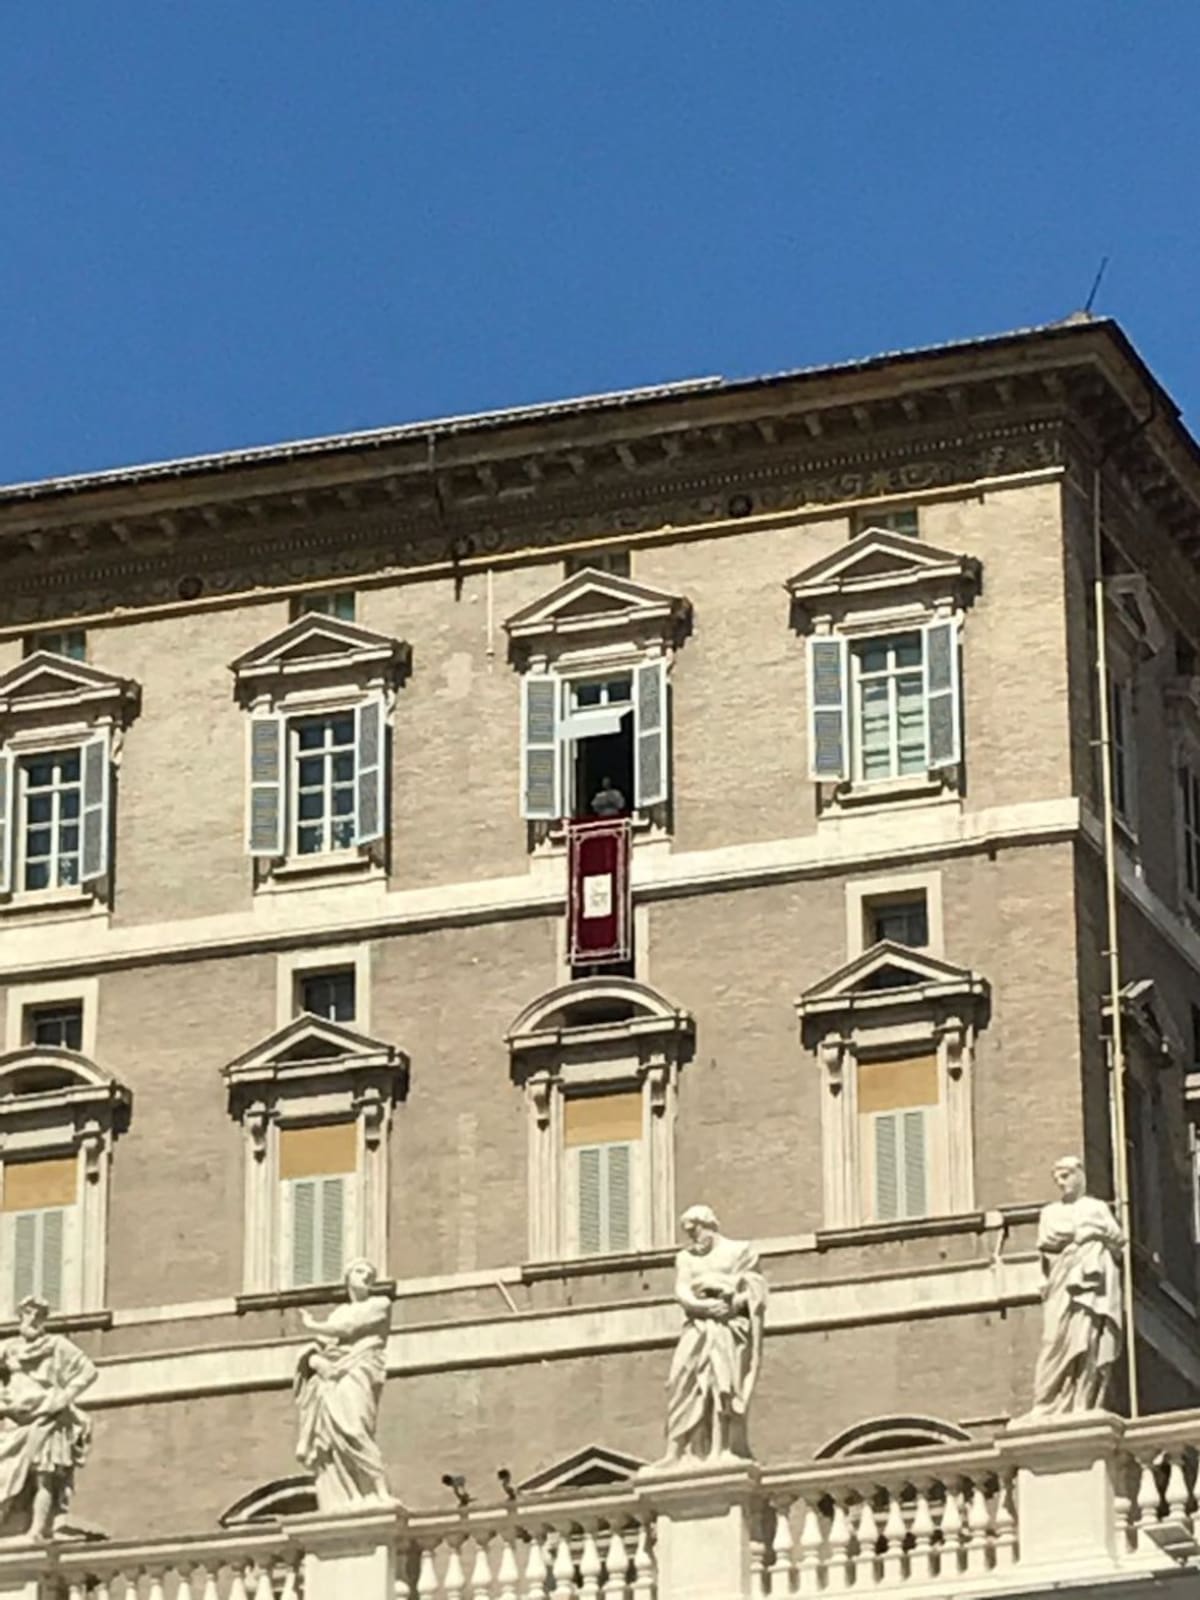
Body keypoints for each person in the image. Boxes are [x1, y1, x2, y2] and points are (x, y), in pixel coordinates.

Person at [662, 1205, 767, 1463]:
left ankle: (721, 1449)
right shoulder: (686, 1258)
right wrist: (703, 1307)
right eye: (689, 1234)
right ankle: (679, 1452)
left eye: (695, 1232)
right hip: (698, 1325)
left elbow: (756, 1291)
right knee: (681, 1381)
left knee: (721, 1385)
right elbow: (682, 1290)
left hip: (728, 1328)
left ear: (708, 1224)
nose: (693, 1239)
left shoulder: (740, 1251)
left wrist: (732, 1303)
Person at [1028, 1156, 1124, 1417]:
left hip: (1092, 1284)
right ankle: (1046, 1402)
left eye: (1066, 1175)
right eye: (1057, 1178)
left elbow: (1118, 1240)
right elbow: (1044, 1245)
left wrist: (1094, 1234)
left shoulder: (1097, 1207)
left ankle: (1083, 1400)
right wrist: (1077, 1235)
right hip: (1061, 1280)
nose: (1062, 1183)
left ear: (1080, 1173)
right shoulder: (1050, 1212)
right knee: (1054, 1339)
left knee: (1089, 1340)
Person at [294, 1259, 392, 1509]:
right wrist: (315, 1360)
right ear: (348, 1277)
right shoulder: (337, 1312)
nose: (366, 1277)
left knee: (355, 1429)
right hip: (334, 1377)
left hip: (361, 1370)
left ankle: (379, 1491)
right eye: (360, 1272)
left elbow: (348, 1327)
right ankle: (351, 1495)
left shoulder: (380, 1304)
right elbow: (322, 1344)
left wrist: (313, 1324)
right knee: (335, 1435)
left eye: (370, 1274)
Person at [0, 1296, 97, 1539]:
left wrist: (64, 1398)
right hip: (15, 1416)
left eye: (39, 1314)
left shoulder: (57, 1345)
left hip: (46, 1415)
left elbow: (88, 1371)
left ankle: (36, 1529)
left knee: (43, 1474)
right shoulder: (8, 1347)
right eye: (29, 1313)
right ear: (20, 1315)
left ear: (45, 1319)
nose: (33, 1318)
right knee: (7, 1471)